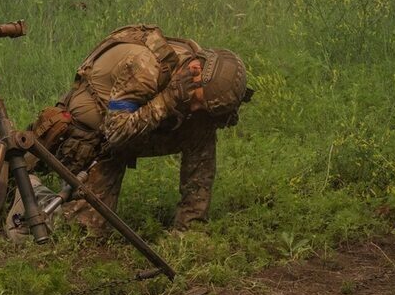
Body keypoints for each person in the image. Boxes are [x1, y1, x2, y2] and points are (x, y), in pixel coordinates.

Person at [33, 25, 251, 232]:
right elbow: (116, 132)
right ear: (195, 69)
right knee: (83, 229)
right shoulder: (144, 68)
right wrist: (169, 99)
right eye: (197, 101)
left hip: (134, 127)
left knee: (202, 127)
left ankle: (191, 225)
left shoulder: (194, 67)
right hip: (95, 135)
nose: (194, 108)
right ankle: (33, 191)